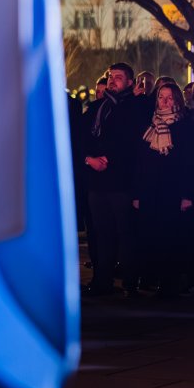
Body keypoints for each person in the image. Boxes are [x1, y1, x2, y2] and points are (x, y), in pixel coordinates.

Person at [83, 62, 146, 297]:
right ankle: (103, 280)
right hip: (97, 180)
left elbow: (132, 142)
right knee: (102, 233)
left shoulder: (134, 107)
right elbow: (81, 137)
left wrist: (108, 158)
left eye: (119, 77)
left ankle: (130, 282)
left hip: (121, 180)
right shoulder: (97, 107)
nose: (112, 80)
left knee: (126, 233)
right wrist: (89, 159)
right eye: (111, 76)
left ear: (130, 82)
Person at [132, 83, 194, 297]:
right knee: (150, 235)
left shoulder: (184, 126)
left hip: (172, 189)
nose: (165, 101)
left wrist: (186, 195)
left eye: (170, 97)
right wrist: (137, 193)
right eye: (161, 97)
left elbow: (188, 163)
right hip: (150, 189)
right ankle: (151, 277)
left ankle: (170, 282)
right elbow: (140, 162)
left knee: (171, 236)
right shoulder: (150, 125)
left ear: (177, 100)